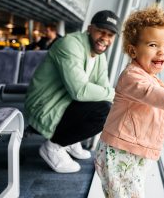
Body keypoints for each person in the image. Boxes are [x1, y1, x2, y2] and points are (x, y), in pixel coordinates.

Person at [94, 5, 164, 197]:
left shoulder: (147, 76)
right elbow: (154, 95)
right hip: (120, 153)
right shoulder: (132, 77)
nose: (162, 52)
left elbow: (155, 100)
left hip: (128, 152)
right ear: (133, 50)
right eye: (153, 45)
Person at [25, 10, 120, 173]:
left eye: (110, 35)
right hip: (44, 106)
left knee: (106, 106)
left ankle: (69, 139)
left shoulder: (100, 57)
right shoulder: (70, 44)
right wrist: (117, 94)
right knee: (105, 113)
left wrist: (112, 95)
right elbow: (79, 91)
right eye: (101, 31)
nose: (105, 38)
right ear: (90, 29)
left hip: (65, 102)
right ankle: (54, 146)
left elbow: (103, 91)